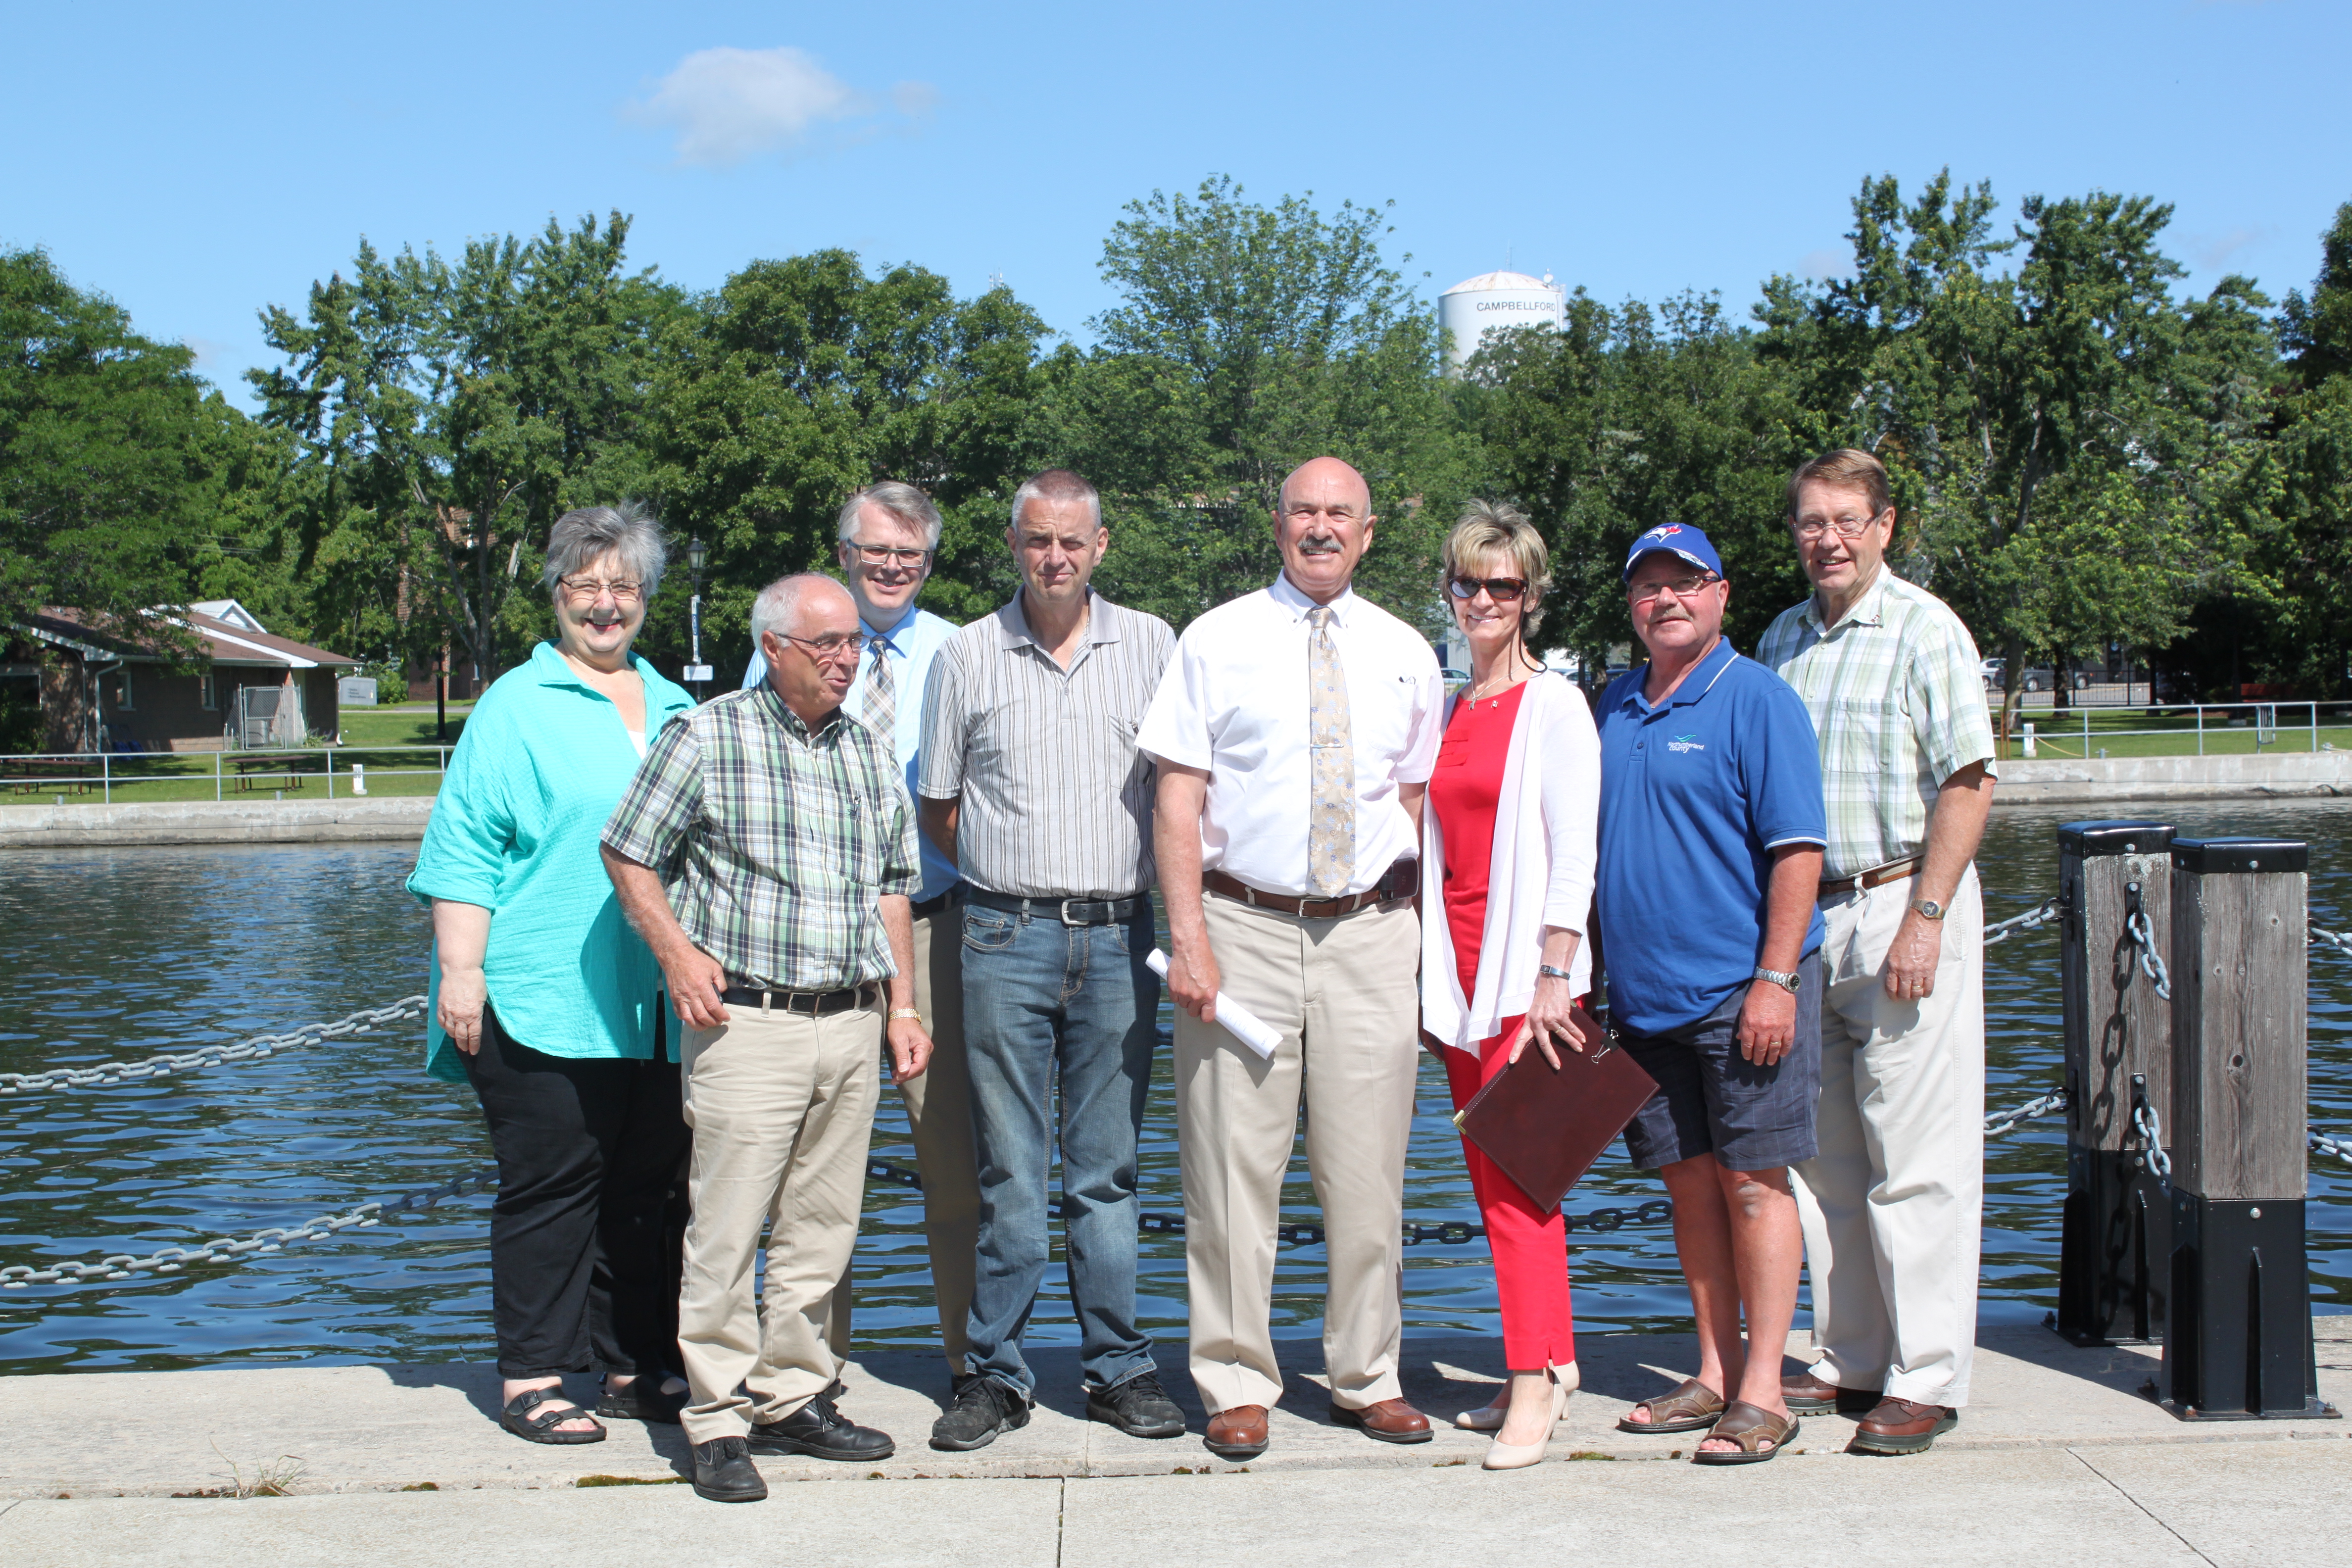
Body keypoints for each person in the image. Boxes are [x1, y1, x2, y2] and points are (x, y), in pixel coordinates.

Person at [602, 572, 932, 1505]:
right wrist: (673, 952)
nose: (844, 659)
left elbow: (893, 887)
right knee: (728, 1229)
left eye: (853, 645)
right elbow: (628, 848)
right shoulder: (705, 735)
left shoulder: (867, 750)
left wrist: (902, 1010)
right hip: (746, 1020)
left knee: (823, 1229)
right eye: (824, 644)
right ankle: (715, 1417)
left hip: (852, 1018)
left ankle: (796, 1395)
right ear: (774, 648)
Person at [1140, 456, 1446, 1462]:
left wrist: (1412, 937)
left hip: (1368, 933)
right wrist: (1189, 939)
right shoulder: (1215, 641)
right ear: (1278, 525)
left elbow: (1414, 803)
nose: (1322, 528)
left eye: (1341, 515)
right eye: (1305, 511)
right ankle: (1235, 1378)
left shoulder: (1406, 650)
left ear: (1367, 533)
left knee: (1368, 1174)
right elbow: (1176, 800)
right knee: (1234, 1171)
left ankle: (1368, 1375)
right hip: (1243, 929)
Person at [406, 503, 698, 1446]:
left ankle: (632, 1362)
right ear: (558, 595)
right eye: (585, 587)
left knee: (653, 1192)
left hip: (659, 1001)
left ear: (646, 598)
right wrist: (461, 970)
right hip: (538, 993)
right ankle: (533, 1374)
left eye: (622, 587)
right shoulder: (515, 705)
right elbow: (464, 847)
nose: (604, 606)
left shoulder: (680, 706)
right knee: (553, 1185)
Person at [915, 469, 1184, 1451]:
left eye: (1072, 541)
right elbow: (939, 807)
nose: (1055, 558)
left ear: (1102, 545)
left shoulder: (1152, 644)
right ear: (1013, 542)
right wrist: (1013, 871)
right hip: (1001, 934)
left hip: (1120, 935)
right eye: (1038, 541)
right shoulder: (968, 656)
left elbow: (1178, 793)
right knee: (1011, 1173)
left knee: (1107, 1171)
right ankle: (996, 1376)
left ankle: (1117, 1368)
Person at [1757, 448, 1999, 1457]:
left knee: (1921, 1157)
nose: (1828, 539)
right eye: (1813, 521)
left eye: (1847, 519)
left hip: (1903, 899)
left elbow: (1969, 782)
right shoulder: (1779, 638)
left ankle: (1927, 1376)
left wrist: (1927, 920)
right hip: (1812, 923)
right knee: (1825, 1163)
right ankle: (1852, 1355)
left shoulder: (1925, 629)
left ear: (1884, 525)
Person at [1596, 523, 1826, 1466]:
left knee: (1754, 1186)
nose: (1667, 601)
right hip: (1642, 1002)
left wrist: (1775, 980)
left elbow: (1798, 852)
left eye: (1685, 584)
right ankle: (1714, 1371)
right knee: (1688, 1186)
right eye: (1649, 588)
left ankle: (1768, 1390)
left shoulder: (1758, 701)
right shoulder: (1613, 703)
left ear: (1722, 595)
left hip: (1742, 991)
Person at [741, 482, 978, 1387]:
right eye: (876, 550)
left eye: (910, 556)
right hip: (816, 938)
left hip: (935, 927)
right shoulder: (788, 647)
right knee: (813, 1173)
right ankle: (809, 1370)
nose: (892, 568)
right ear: (844, 552)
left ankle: (971, 1361)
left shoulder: (962, 651)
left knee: (953, 1167)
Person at [1415, 501, 1600, 1470]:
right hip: (1457, 981)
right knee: (1500, 1182)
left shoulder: (1554, 703)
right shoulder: (1452, 707)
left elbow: (1576, 855)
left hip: (1525, 985)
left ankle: (1532, 1383)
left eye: (1504, 585)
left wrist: (1554, 978)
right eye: (1469, 582)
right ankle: (1553, 1360)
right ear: (1449, 590)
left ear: (1528, 598)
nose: (1484, 599)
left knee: (1520, 1193)